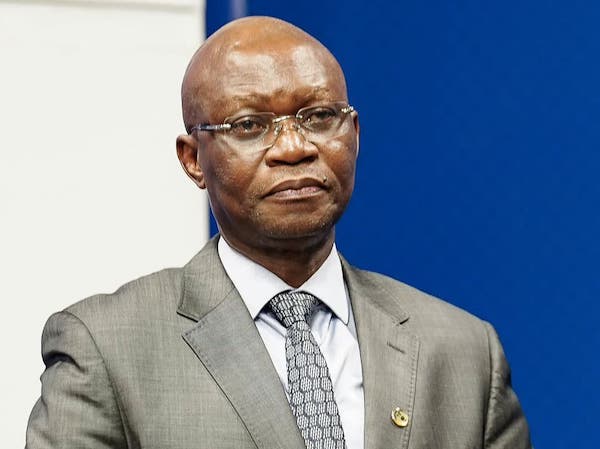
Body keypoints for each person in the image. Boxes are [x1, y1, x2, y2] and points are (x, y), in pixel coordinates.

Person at [26, 16, 532, 449]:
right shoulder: (106, 347)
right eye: (249, 125)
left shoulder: (464, 351)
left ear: (354, 135)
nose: (294, 148)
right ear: (193, 159)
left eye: (320, 117)